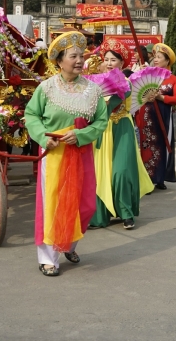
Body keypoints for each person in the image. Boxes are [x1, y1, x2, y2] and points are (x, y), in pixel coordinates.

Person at [24, 32, 109, 276]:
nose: (80, 60)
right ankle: (48, 258)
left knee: (84, 205)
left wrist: (81, 136)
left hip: (81, 153)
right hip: (54, 154)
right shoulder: (46, 88)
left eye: (81, 56)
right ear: (60, 61)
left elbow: (101, 122)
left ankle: (70, 242)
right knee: (53, 204)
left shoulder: (93, 91)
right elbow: (31, 116)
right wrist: (43, 136)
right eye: (73, 56)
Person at [89, 39, 154, 230]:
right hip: (102, 128)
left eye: (114, 60)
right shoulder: (94, 82)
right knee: (100, 173)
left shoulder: (126, 83)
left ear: (121, 63)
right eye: (106, 59)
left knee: (121, 172)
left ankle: (126, 213)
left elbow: (126, 99)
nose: (109, 63)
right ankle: (100, 215)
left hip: (123, 127)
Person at [136, 43, 176, 190]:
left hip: (163, 115)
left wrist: (162, 98)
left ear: (167, 61)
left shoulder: (173, 79)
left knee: (161, 145)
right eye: (155, 56)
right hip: (147, 115)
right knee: (146, 145)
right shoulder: (147, 75)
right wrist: (139, 74)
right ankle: (146, 179)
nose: (155, 59)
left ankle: (160, 178)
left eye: (159, 57)